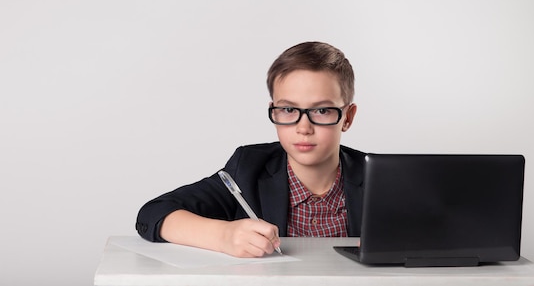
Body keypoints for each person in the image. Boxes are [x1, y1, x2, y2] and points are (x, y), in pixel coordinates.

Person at [135, 41, 365, 257]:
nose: (303, 127)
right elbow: (153, 213)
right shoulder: (247, 169)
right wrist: (224, 236)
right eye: (288, 110)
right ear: (273, 111)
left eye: (322, 111)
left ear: (347, 117)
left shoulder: (380, 179)